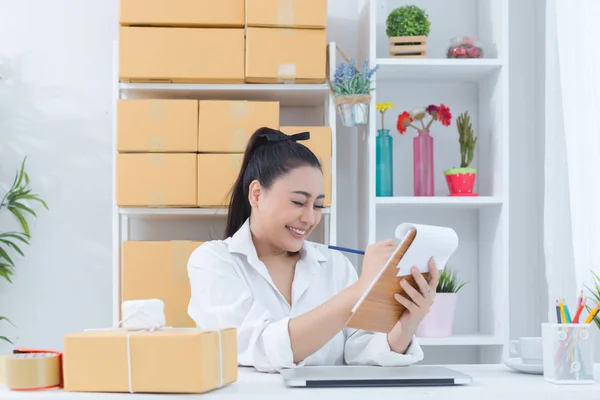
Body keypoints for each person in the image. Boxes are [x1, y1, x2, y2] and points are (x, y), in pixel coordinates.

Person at [187, 127, 440, 373]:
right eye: (298, 202)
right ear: (256, 194)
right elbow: (262, 347)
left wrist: (408, 322)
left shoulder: (336, 265)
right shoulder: (212, 262)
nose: (310, 218)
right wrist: (358, 292)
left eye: (318, 206)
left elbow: (360, 351)